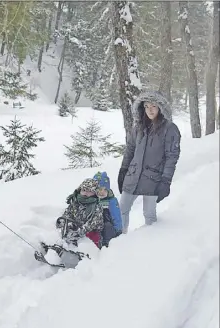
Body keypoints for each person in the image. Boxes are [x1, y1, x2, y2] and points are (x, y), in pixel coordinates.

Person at [117, 90, 181, 233]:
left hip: (153, 178)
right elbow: (130, 150)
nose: (150, 110)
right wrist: (123, 170)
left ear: (160, 107)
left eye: (153, 106)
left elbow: (172, 157)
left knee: (149, 215)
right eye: (146, 106)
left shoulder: (170, 129)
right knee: (122, 210)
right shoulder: (138, 128)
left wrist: (166, 181)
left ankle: (150, 245)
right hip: (133, 176)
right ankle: (119, 241)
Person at [58, 179, 104, 248]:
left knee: (88, 244)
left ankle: (91, 254)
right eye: (84, 190)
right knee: (64, 236)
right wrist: (64, 222)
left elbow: (93, 223)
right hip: (75, 228)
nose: (85, 193)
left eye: (89, 191)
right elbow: (68, 213)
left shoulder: (97, 206)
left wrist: (79, 232)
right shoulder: (75, 202)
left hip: (90, 232)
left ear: (95, 193)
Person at [93, 171, 122, 246]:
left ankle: (107, 245)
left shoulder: (111, 201)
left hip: (109, 228)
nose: (101, 193)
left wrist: (118, 230)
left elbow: (116, 215)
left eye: (104, 190)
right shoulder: (94, 200)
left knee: (107, 225)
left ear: (108, 190)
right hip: (96, 226)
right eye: (99, 190)